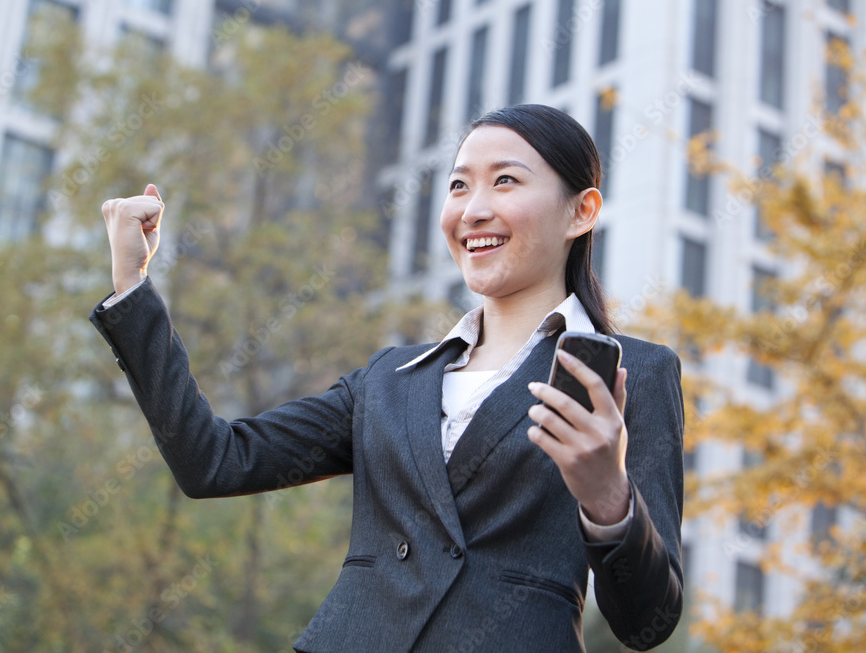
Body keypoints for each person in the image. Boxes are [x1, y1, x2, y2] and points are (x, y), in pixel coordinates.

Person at [90, 104, 684, 651]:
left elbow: (646, 621)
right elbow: (212, 460)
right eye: (458, 185)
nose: (473, 208)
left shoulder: (631, 374)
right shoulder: (390, 379)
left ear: (582, 211)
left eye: (505, 180)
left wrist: (609, 496)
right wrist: (132, 290)